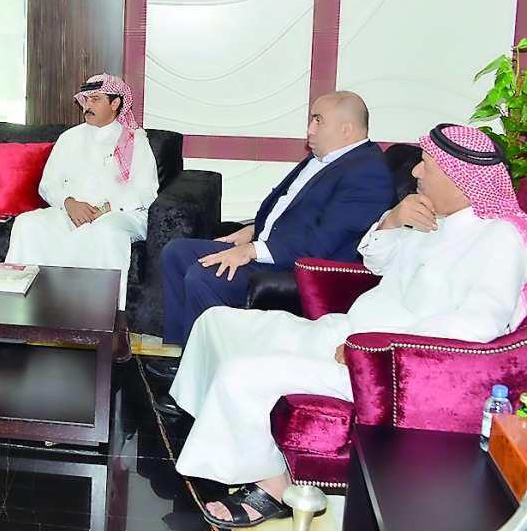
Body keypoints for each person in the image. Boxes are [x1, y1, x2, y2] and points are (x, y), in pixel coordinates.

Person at [170, 124, 527, 528]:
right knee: (217, 323)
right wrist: (392, 221)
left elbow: (477, 325)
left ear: (461, 182)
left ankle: (272, 486)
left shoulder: (498, 240)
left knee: (243, 373)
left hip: (380, 365)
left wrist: (377, 347)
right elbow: (375, 262)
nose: (415, 174)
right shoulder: (433, 217)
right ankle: (222, 433)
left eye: (427, 166)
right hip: (342, 330)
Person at [154, 91, 394, 372]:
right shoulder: (330, 157)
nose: (309, 129)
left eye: (318, 121)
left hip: (303, 270)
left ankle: (205, 369)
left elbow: (320, 242)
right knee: (176, 253)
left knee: (203, 276)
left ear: (346, 129)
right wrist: (252, 231)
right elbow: (294, 210)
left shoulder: (367, 173)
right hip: (275, 246)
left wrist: (251, 250)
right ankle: (185, 352)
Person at [5, 74, 158, 295]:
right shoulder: (69, 138)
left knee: (104, 232)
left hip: (119, 215)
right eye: (86, 99)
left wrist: (104, 209)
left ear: (115, 103)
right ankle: (27, 303)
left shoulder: (134, 141)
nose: (87, 105)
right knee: (27, 223)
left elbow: (146, 191)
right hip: (72, 211)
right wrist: (68, 203)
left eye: (95, 99)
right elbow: (48, 184)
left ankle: (98, 314)